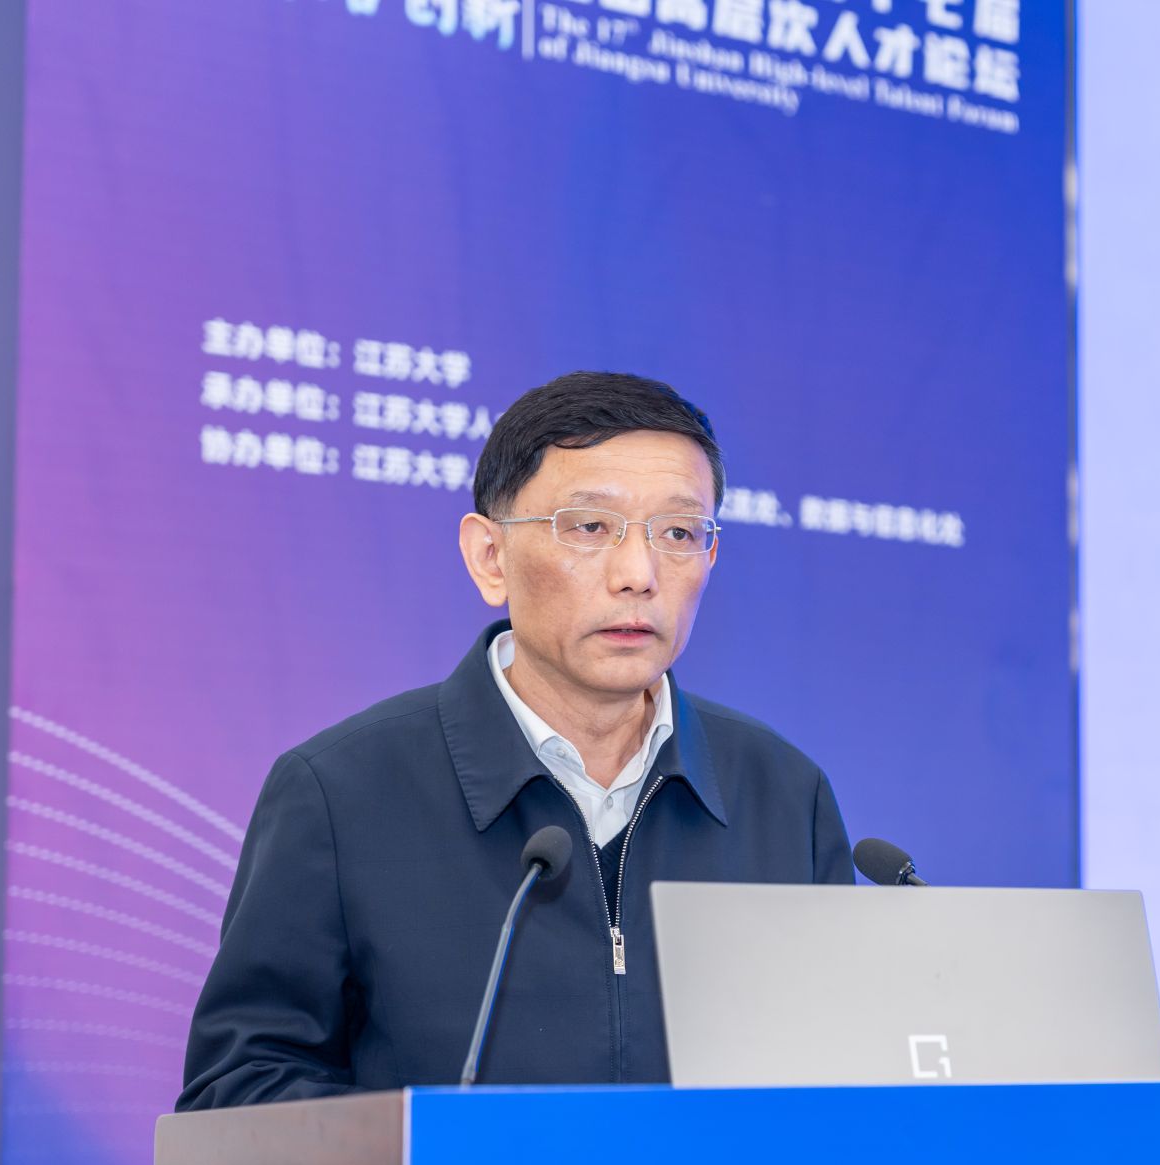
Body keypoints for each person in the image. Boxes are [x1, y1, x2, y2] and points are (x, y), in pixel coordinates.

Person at [177, 371, 854, 1109]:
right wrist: (453, 1159)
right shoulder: (341, 793)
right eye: (590, 527)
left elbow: (845, 1083)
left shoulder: (785, 796)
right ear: (489, 556)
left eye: (679, 533)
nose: (639, 574)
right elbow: (238, 1090)